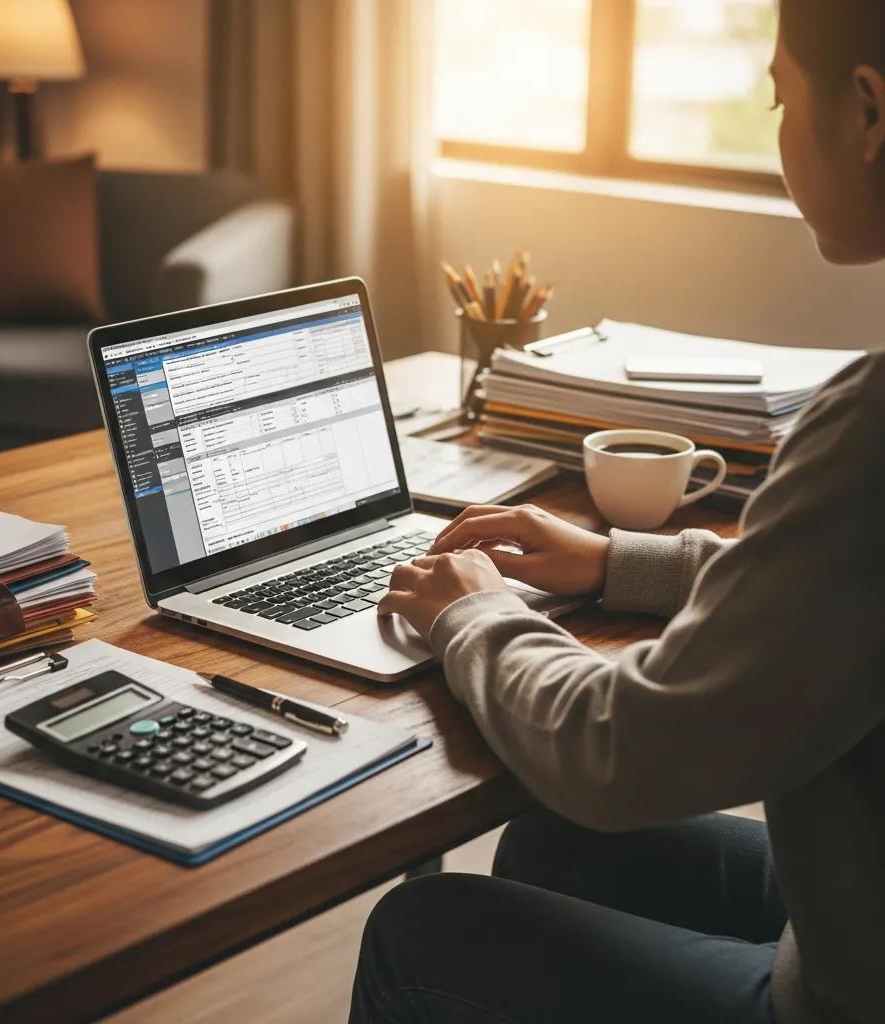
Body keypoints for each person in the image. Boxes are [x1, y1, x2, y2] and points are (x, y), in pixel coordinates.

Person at [349, 3, 885, 1022]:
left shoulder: (872, 428)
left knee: (422, 931)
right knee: (554, 842)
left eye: (778, 96)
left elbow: (619, 751)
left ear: (867, 111)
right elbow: (843, 590)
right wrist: (613, 561)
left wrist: (471, 613)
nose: (776, 126)